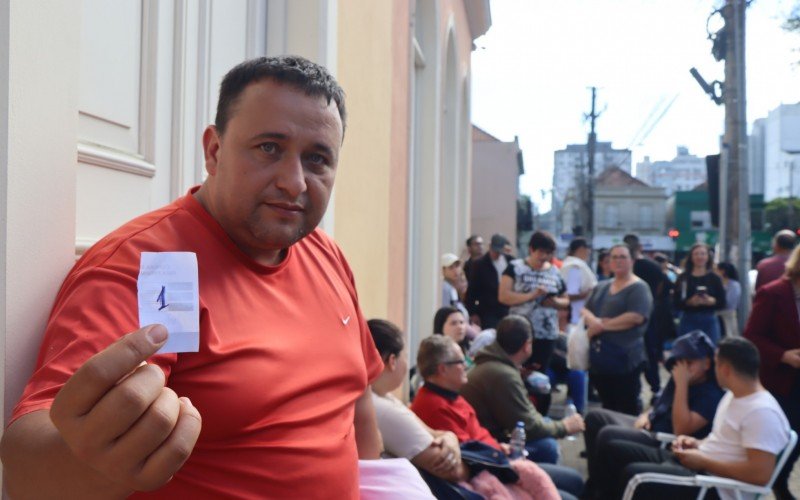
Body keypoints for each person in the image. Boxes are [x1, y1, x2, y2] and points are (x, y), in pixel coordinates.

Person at [0, 56, 385, 499]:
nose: (294, 182)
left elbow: (355, 398)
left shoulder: (326, 254)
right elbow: (29, 464)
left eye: (317, 159)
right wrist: (80, 464)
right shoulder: (145, 264)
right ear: (214, 151)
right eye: (269, 148)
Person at [603, 337, 791, 500]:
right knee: (614, 450)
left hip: (711, 486)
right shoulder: (734, 395)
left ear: (725, 369)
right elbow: (724, 443)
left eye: (716, 363)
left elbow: (759, 475)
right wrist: (696, 443)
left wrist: (703, 462)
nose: (713, 369)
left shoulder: (762, 412)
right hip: (700, 466)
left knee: (636, 476)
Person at [411, 335, 585, 500]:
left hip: (498, 460)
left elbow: (475, 438)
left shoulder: (450, 395)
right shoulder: (434, 406)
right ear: (443, 369)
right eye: (461, 361)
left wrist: (499, 447)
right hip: (490, 473)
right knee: (566, 479)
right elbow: (467, 457)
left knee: (573, 480)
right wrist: (497, 454)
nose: (466, 365)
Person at [582, 330, 724, 499]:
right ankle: (595, 485)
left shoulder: (711, 394)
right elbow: (660, 405)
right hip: (651, 424)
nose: (682, 366)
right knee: (594, 418)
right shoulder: (679, 377)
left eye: (689, 362)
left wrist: (682, 384)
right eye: (679, 361)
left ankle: (599, 493)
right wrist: (647, 415)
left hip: (664, 438)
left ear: (707, 363)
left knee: (608, 436)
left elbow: (681, 429)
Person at [460, 315, 585, 464]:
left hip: (487, 435)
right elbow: (528, 426)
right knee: (547, 447)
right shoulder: (502, 374)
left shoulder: (495, 364)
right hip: (487, 445)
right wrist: (564, 427)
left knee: (545, 425)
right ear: (527, 345)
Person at [743, 244, 800, 500]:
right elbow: (752, 336)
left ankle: (779, 478)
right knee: (783, 436)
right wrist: (783, 355)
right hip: (781, 380)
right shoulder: (774, 293)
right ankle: (771, 480)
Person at [581, 243, 652, 415]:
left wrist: (601, 326)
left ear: (631, 261)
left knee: (627, 406)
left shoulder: (639, 287)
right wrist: (593, 320)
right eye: (614, 257)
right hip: (601, 359)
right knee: (608, 405)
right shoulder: (601, 286)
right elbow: (584, 309)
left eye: (623, 257)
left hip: (626, 358)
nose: (618, 261)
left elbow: (636, 317)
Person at [499, 231, 569, 373]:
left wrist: (555, 302)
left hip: (547, 333)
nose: (544, 257)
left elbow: (566, 301)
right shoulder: (515, 268)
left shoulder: (555, 272)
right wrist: (532, 295)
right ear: (531, 249)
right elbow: (503, 296)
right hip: (519, 331)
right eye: (541, 252)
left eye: (548, 253)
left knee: (540, 373)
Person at [624, 233, 670, 401]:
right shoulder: (652, 267)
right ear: (640, 248)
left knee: (639, 353)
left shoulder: (633, 268)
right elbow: (663, 289)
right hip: (648, 316)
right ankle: (655, 389)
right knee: (649, 353)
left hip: (633, 318)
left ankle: (642, 390)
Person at [674, 243, 725, 344]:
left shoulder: (715, 278)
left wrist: (711, 301)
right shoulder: (683, 278)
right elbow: (676, 302)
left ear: (708, 256)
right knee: (687, 352)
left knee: (711, 351)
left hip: (709, 318)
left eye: (703, 254)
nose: (699, 257)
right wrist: (690, 302)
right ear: (691, 257)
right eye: (696, 254)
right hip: (688, 318)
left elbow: (723, 302)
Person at [465, 233, 513, 329]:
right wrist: (473, 312)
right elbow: (472, 290)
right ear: (490, 247)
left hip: (508, 308)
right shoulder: (479, 264)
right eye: (494, 251)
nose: (496, 254)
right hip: (488, 310)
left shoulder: (510, 261)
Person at [560, 237, 597, 326]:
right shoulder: (574, 266)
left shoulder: (575, 264)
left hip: (579, 316)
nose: (589, 252)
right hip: (575, 318)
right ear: (581, 249)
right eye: (588, 249)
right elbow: (571, 295)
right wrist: (590, 293)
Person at [715, 262, 742, 338]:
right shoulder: (719, 283)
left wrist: (715, 302)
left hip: (727, 316)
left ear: (722, 271)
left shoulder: (734, 285)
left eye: (717, 270)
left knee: (729, 336)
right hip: (718, 316)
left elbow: (730, 302)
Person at [440, 253, 469, 320]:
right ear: (443, 270)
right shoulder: (445, 288)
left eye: (457, 266)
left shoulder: (451, 288)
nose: (455, 270)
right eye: (451, 267)